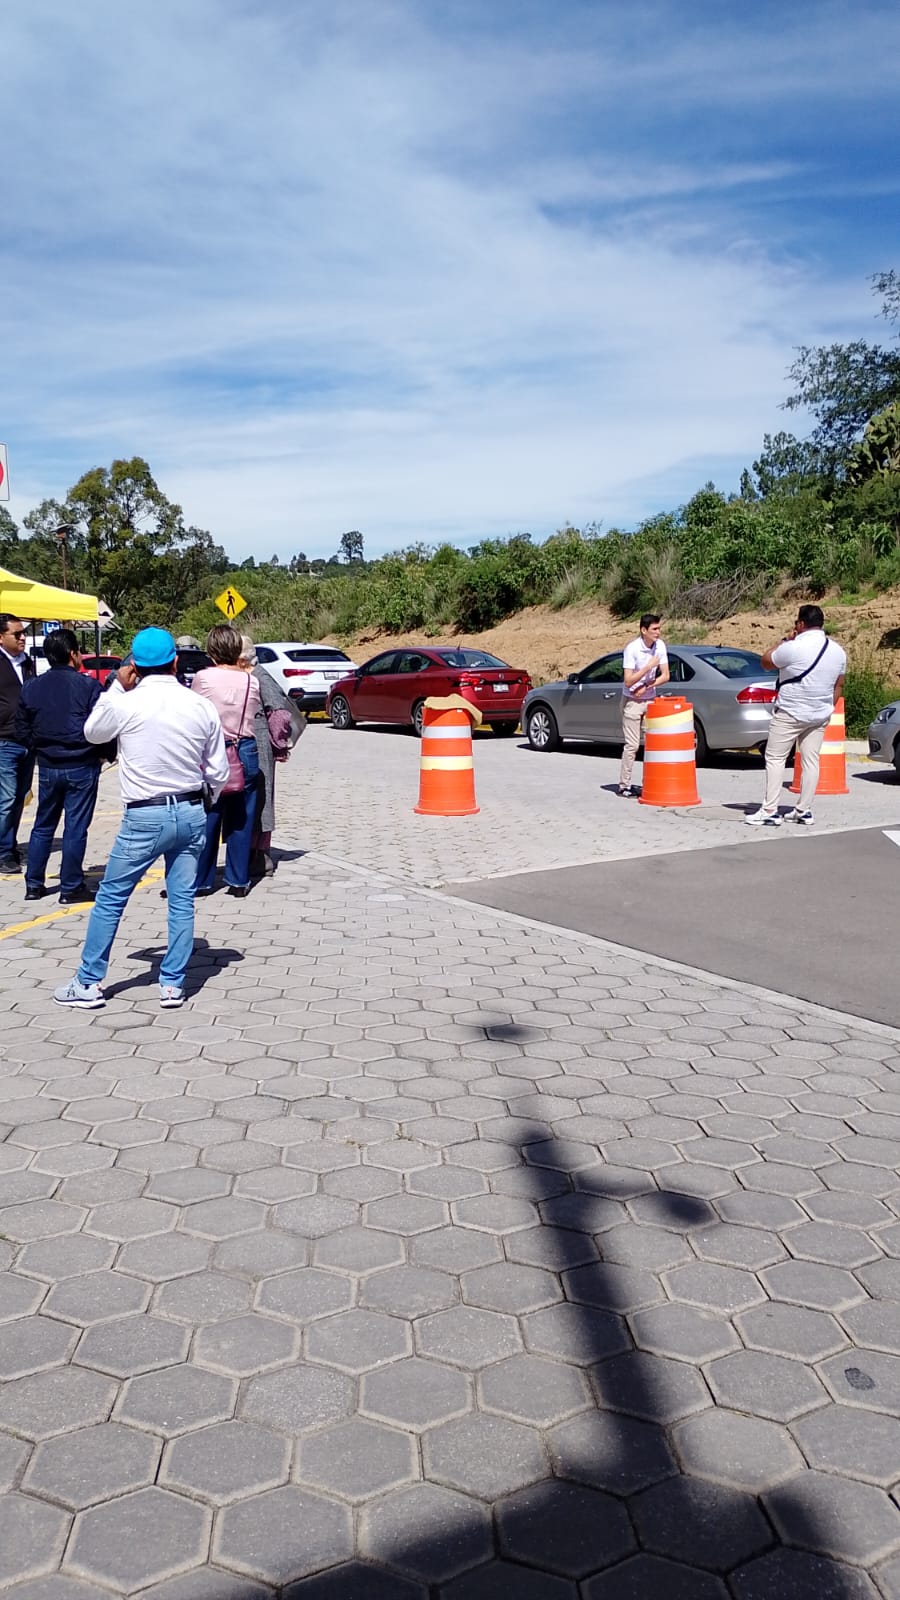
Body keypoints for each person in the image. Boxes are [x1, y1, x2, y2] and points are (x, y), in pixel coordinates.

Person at [54, 627, 228, 1011]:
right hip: (190, 808)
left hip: (144, 815)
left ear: (133, 665)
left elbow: (92, 731)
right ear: (176, 662)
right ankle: (172, 985)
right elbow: (217, 770)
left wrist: (116, 686)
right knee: (182, 900)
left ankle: (88, 982)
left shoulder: (125, 703)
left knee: (112, 898)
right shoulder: (199, 705)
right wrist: (204, 800)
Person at [14, 629, 103, 903]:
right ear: (74, 654)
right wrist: (101, 754)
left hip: (49, 764)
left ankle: (34, 884)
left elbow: (21, 728)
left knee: (43, 824)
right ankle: (71, 885)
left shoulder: (31, 686)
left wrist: (39, 748)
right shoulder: (88, 686)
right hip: (82, 763)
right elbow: (101, 727)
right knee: (75, 826)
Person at [745, 604, 847, 828]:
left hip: (790, 712)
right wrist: (826, 707)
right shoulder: (837, 651)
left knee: (775, 758)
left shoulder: (793, 647)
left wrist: (784, 640)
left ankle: (770, 810)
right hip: (819, 714)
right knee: (811, 761)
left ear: (801, 624)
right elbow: (839, 685)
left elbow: (765, 662)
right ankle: (803, 810)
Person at [191, 625, 262, 898]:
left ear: (211, 650)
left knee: (210, 814)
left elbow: (196, 714)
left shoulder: (203, 678)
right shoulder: (251, 680)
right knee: (241, 818)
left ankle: (202, 880)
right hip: (245, 749)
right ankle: (238, 880)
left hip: (214, 750)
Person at [239, 634, 304, 878]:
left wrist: (278, 745)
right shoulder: (248, 676)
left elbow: (279, 712)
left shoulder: (260, 676)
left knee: (263, 797)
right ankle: (252, 852)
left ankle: (261, 854)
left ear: (243, 658)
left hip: (261, 742)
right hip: (250, 741)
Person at [618, 613, 670, 796]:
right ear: (643, 630)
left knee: (653, 742)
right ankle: (624, 784)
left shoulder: (660, 646)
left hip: (650, 699)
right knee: (632, 745)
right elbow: (628, 681)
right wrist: (648, 668)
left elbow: (665, 675)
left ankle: (651, 783)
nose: (658, 632)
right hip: (632, 701)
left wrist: (648, 684)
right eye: (654, 629)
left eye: (659, 628)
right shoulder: (632, 649)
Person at [0, 614, 36, 873]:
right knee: (7, 797)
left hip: (27, 741)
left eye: (23, 633)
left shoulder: (27, 663)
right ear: (1, 637)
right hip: (4, 741)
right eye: (17, 634)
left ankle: (10, 845)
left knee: (19, 798)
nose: (22, 637)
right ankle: (4, 853)